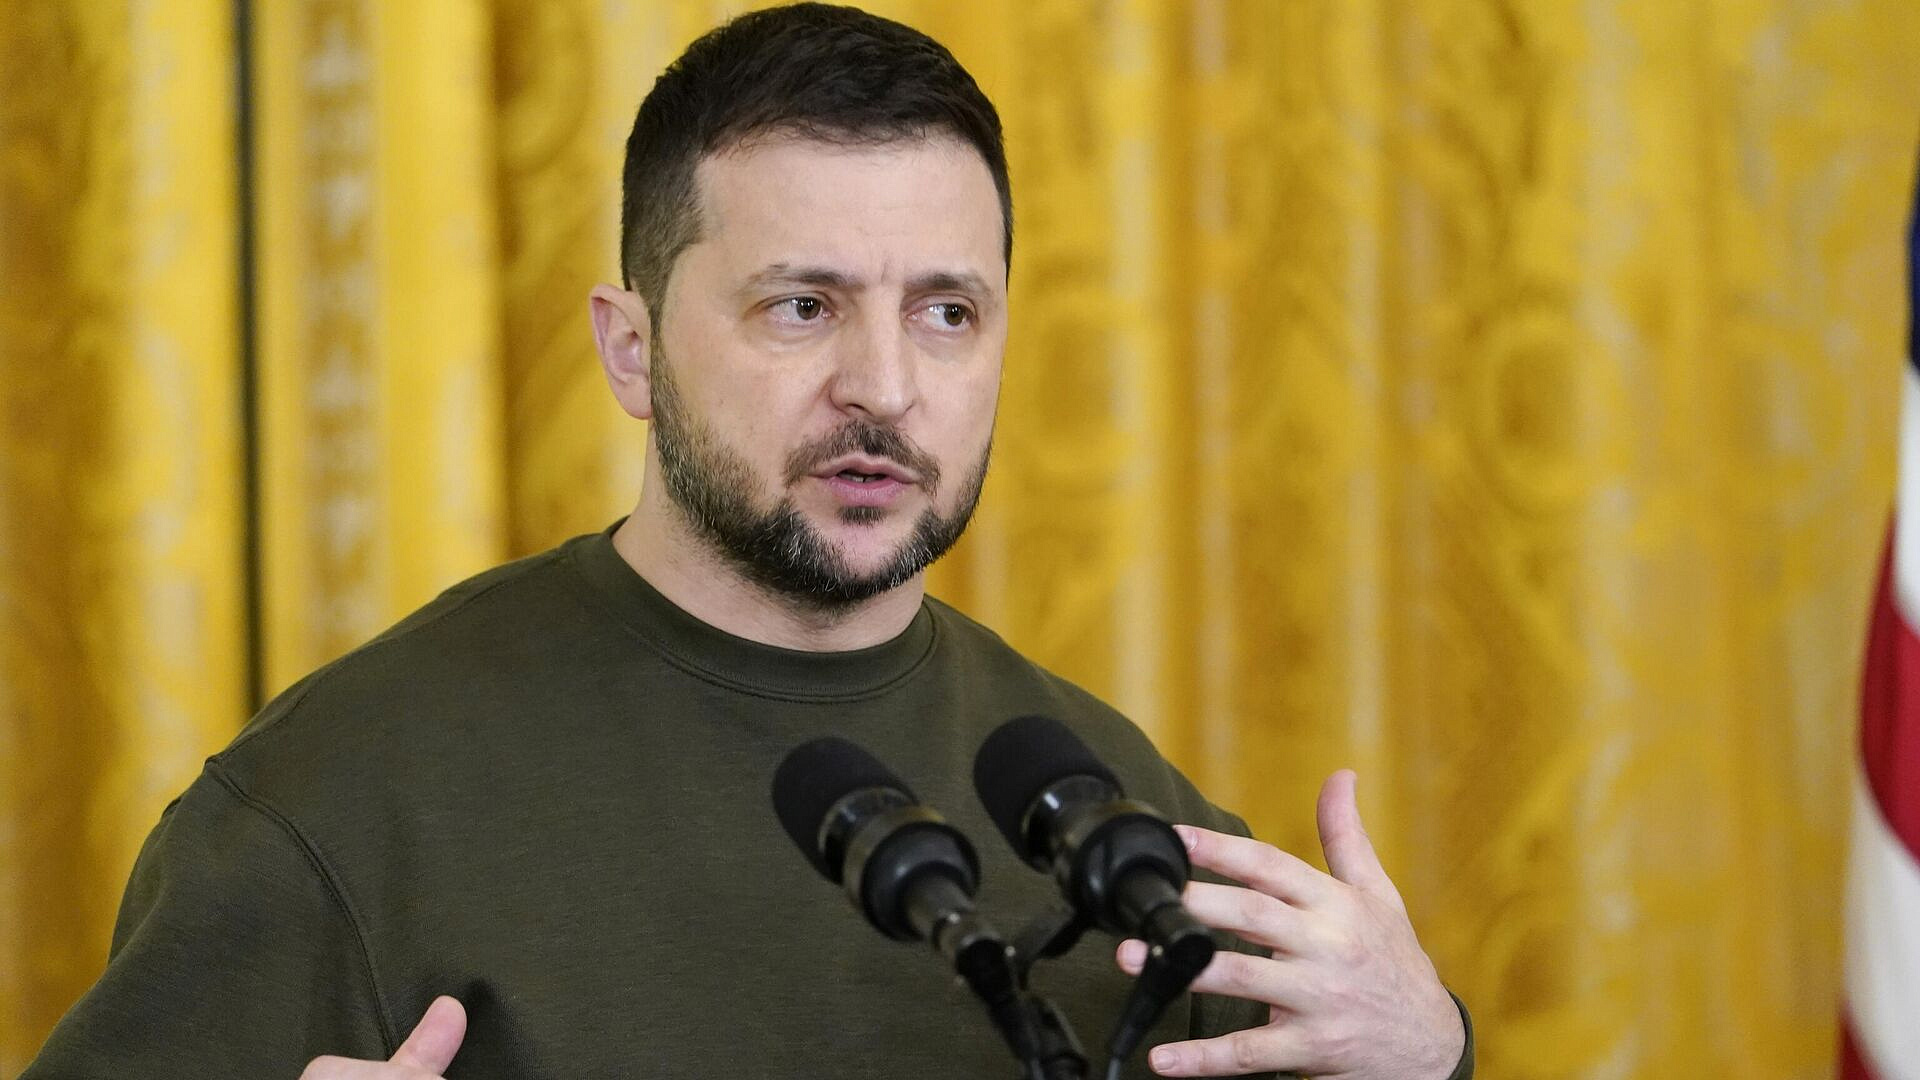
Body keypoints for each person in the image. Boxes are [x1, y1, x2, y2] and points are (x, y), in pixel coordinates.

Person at [23, 5, 1471, 1078]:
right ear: (633, 349)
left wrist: (1428, 1052)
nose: (884, 387)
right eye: (802, 306)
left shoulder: (1111, 813)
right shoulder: (337, 807)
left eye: (946, 312)